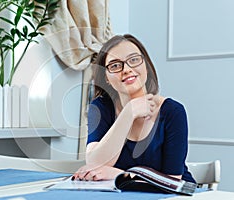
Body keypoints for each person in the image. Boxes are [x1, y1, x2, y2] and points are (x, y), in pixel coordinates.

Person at [72, 34, 195, 183]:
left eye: (134, 60)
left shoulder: (173, 111)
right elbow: (95, 164)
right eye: (115, 65)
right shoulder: (100, 107)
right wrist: (129, 113)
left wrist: (121, 175)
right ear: (106, 78)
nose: (127, 69)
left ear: (146, 66)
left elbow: (172, 182)